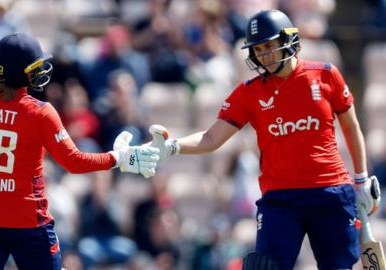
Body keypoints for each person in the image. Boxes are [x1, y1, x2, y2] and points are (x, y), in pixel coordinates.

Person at [146, 9, 381, 270]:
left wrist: (361, 178)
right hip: (280, 200)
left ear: (288, 40)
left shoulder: (326, 75)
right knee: (264, 267)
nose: (264, 55)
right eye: (258, 49)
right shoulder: (250, 92)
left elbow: (351, 126)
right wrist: (172, 146)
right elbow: (211, 137)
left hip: (330, 192)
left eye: (270, 46)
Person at [0, 32, 160, 270]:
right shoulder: (40, 112)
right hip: (28, 222)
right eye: (35, 67)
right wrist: (119, 158)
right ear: (21, 73)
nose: (40, 71)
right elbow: (74, 162)